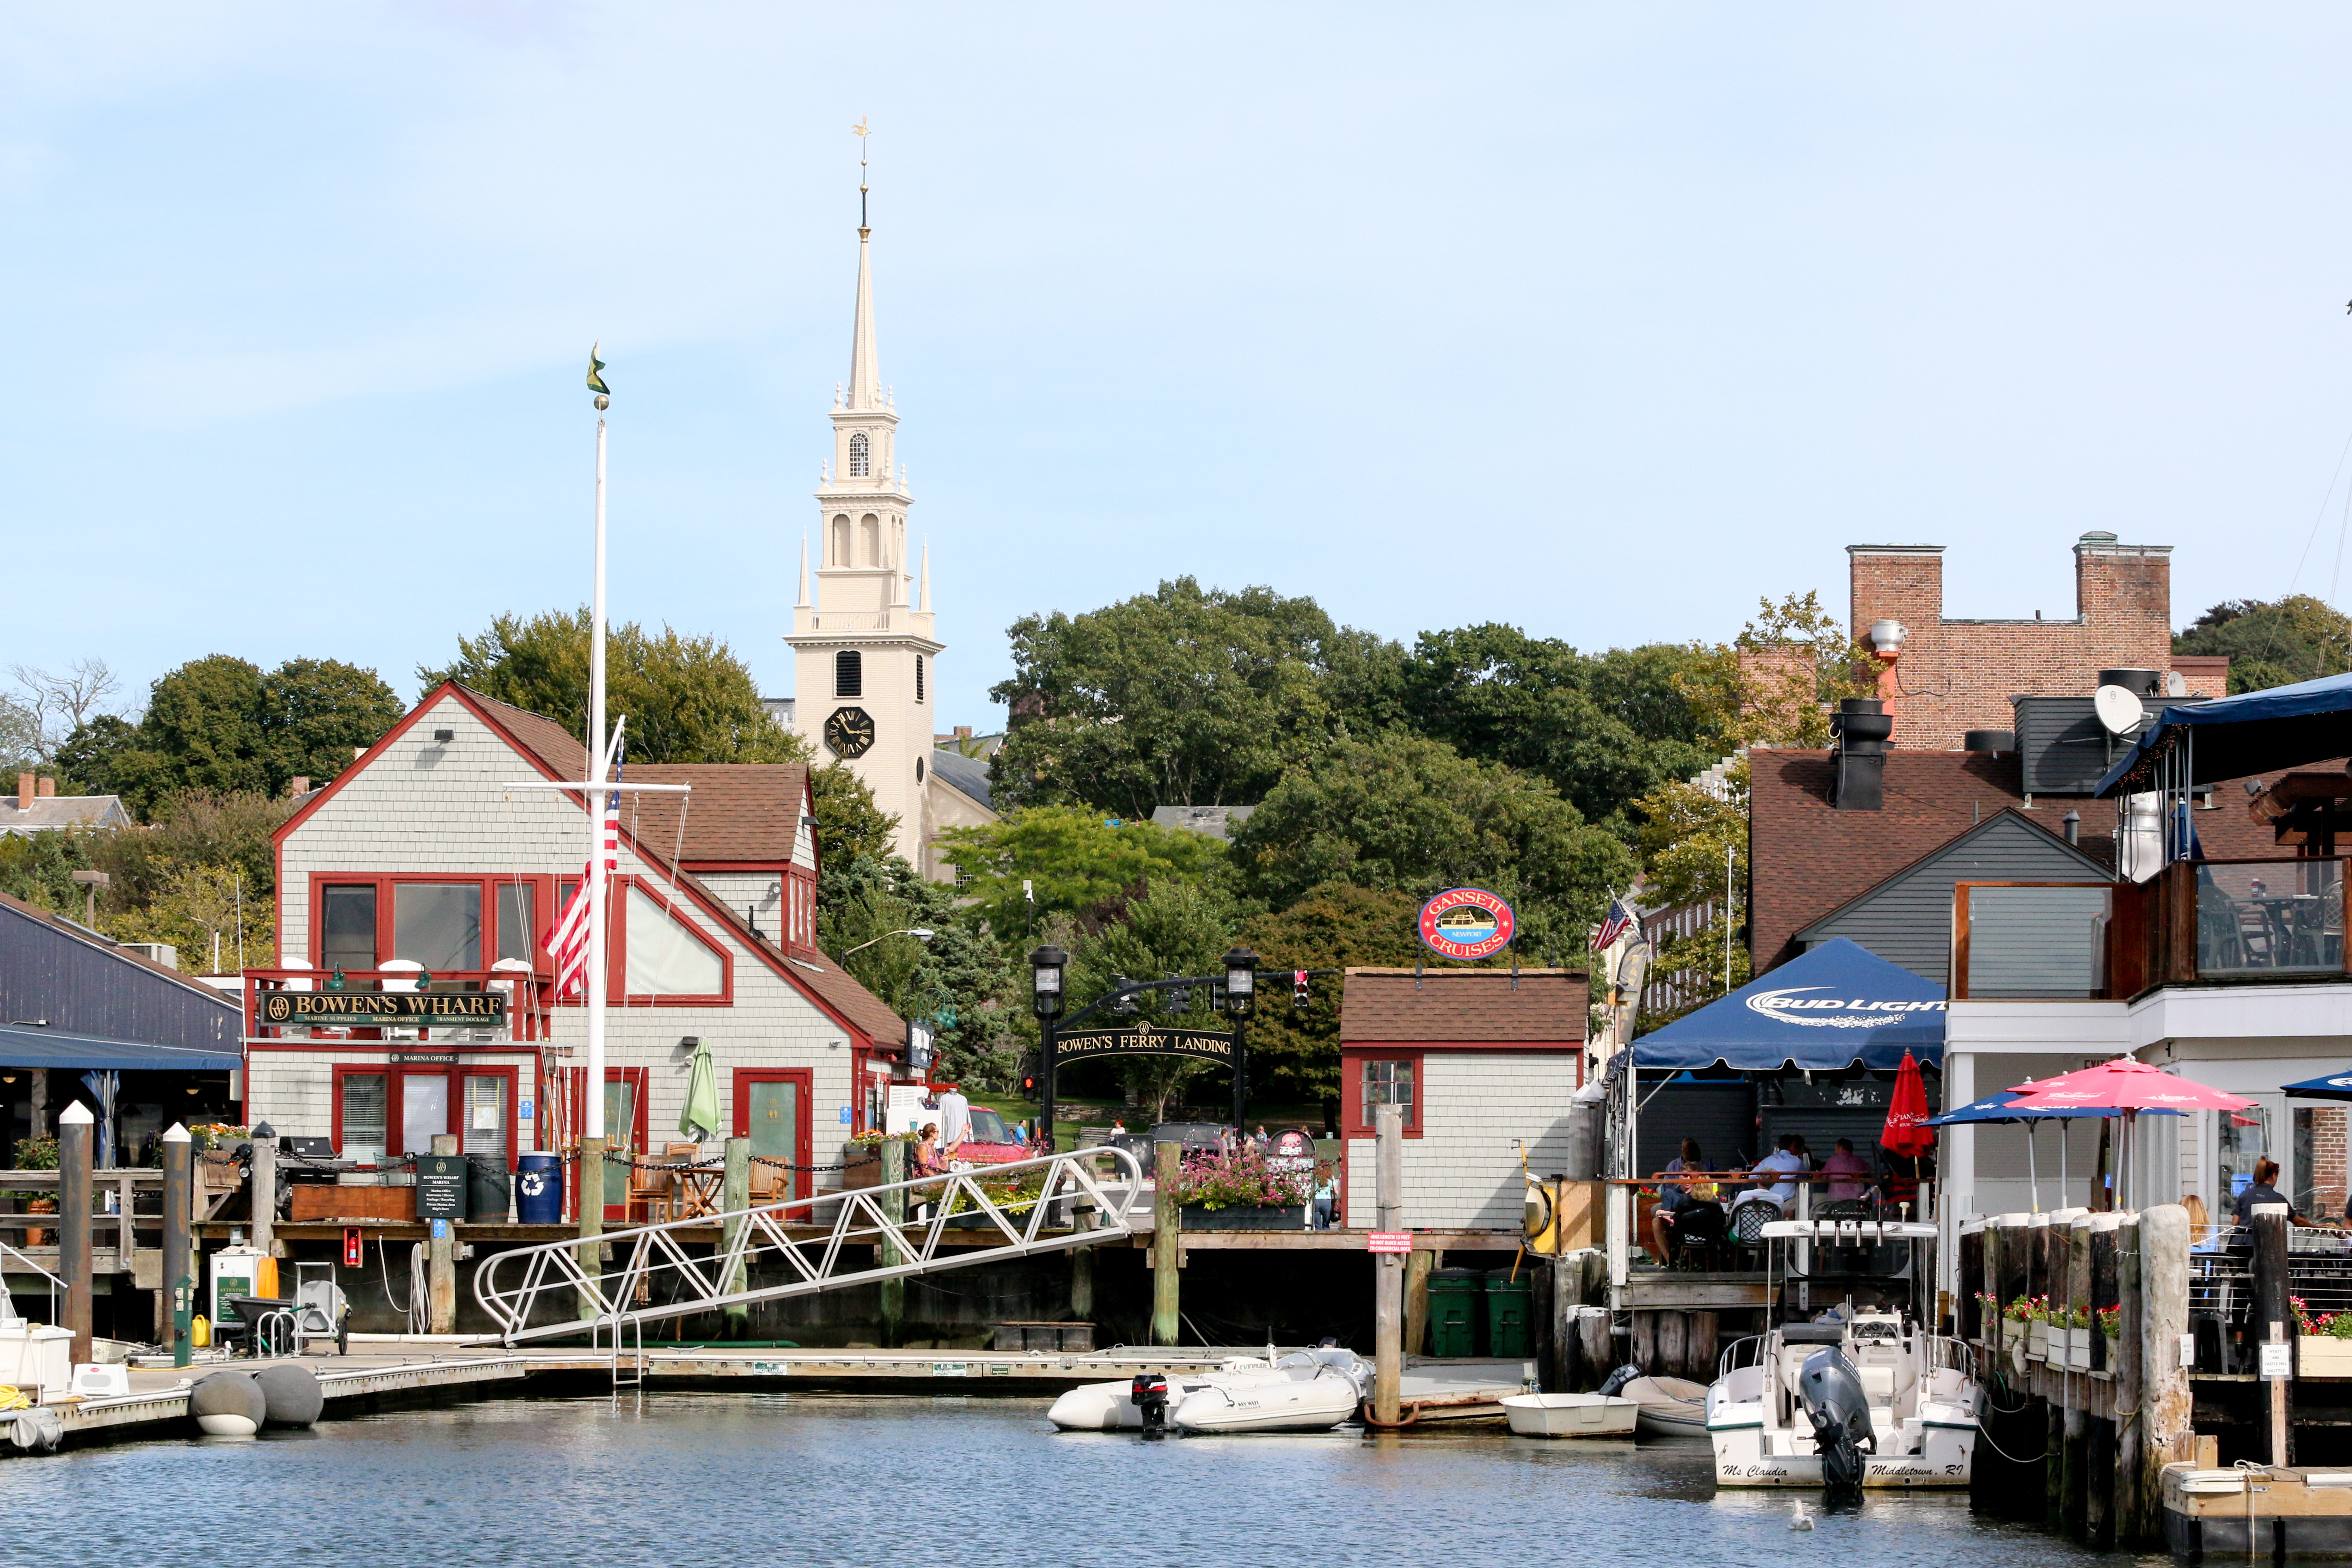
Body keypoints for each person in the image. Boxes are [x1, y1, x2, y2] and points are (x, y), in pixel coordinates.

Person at [1648, 1139, 1712, 1262]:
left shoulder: (1704, 1173)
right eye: (1685, 1176)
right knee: (1657, 1218)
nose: (1688, 1179)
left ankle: (1691, 1260)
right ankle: (1671, 1261)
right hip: (1675, 1210)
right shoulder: (1673, 1167)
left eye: (1692, 1176)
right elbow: (1667, 1188)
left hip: (1696, 1219)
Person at [2231, 1158, 2319, 1236]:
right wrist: (2315, 1227)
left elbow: (2235, 1222)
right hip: (2264, 1246)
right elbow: (2299, 1221)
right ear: (2274, 1176)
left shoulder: (2245, 1194)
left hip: (2239, 1245)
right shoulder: (2278, 1199)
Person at [1736, 1134, 1808, 1213]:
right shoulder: (1797, 1162)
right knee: (1804, 1199)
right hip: (1786, 1204)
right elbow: (1805, 1179)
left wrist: (1765, 1184)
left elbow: (1752, 1176)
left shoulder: (1768, 1160)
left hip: (1767, 1203)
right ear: (1791, 1146)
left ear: (1778, 1147)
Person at [1821, 1137, 1872, 1203]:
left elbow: (1822, 1177)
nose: (1835, 1151)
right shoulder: (1860, 1161)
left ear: (1841, 1148)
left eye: (1836, 1148)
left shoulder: (1832, 1160)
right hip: (1857, 1202)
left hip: (1835, 1203)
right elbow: (1869, 1174)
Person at [935, 1083, 971, 1149]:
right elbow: (940, 1115)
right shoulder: (944, 1098)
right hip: (949, 1133)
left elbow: (967, 1116)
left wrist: (970, 1136)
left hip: (962, 1132)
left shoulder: (963, 1099)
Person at [1311, 1163, 1339, 1230]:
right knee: (1326, 1225)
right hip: (1327, 1202)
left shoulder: (1316, 1178)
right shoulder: (1331, 1179)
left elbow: (1312, 1189)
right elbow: (1337, 1192)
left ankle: (1318, 1239)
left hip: (1317, 1201)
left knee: (1318, 1226)